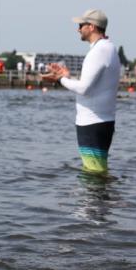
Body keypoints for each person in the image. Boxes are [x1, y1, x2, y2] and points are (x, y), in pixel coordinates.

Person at [41, 9, 121, 174]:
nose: (78, 29)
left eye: (80, 25)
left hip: (92, 123)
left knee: (94, 174)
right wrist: (67, 76)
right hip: (101, 121)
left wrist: (59, 80)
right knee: (97, 172)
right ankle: (104, 199)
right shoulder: (108, 48)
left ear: (91, 27)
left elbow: (84, 88)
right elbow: (91, 86)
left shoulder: (98, 51)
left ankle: (98, 200)